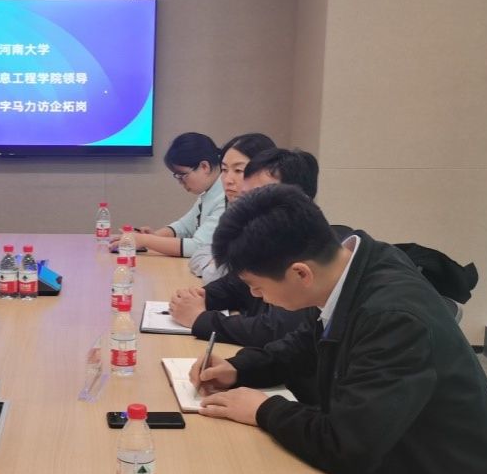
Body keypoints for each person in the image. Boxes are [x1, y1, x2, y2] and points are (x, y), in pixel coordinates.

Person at [189, 185, 487, 474]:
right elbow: (309, 342)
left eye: (256, 285)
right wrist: (239, 368)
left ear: (300, 273)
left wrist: (263, 409)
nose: (256, 295)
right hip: (390, 462)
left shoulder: (393, 318)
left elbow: (345, 446)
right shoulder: (356, 268)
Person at [170, 148, 325, 347]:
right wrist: (201, 297)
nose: (249, 208)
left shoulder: (308, 252)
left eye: (261, 197)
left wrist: (200, 319)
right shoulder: (267, 240)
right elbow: (236, 285)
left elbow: (275, 330)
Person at [109, 132, 225, 270]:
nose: (180, 182)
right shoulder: (210, 191)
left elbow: (198, 247)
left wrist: (145, 240)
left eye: (182, 175)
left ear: (204, 166)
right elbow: (184, 227)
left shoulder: (227, 196)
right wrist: (151, 237)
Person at [186, 133, 277, 280]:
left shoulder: (273, 220)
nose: (228, 180)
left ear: (267, 173)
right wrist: (213, 264)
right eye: (224, 170)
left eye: (239, 170)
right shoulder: (237, 211)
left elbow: (220, 276)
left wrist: (214, 265)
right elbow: (200, 253)